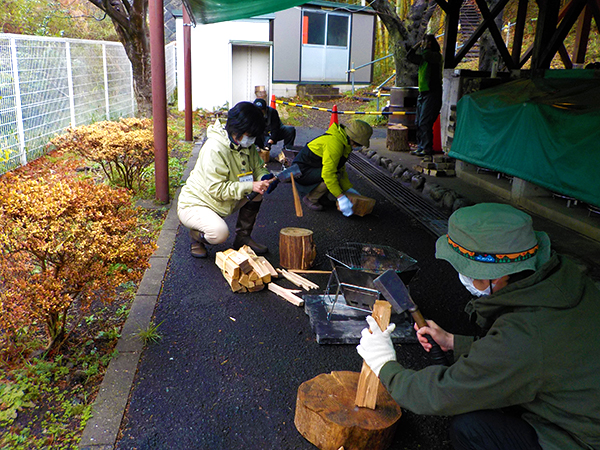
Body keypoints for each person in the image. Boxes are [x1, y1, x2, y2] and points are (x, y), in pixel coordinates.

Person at [357, 203, 600, 450]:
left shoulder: (527, 333)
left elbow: (445, 393)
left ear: (500, 275)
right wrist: (454, 341)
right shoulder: (561, 280)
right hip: (578, 406)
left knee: (471, 428)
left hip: (580, 439)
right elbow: (530, 357)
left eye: (472, 273)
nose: (466, 279)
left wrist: (385, 365)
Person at [177, 101, 277, 258]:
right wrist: (251, 185)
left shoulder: (243, 142)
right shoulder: (214, 149)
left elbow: (257, 166)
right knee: (220, 233)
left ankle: (242, 238)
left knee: (258, 191)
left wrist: (264, 177)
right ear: (237, 130)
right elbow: (217, 189)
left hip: (222, 201)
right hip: (197, 203)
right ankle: (196, 237)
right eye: (250, 136)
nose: (251, 141)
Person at [292, 119, 373, 216]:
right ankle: (311, 198)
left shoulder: (344, 143)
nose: (359, 147)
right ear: (353, 140)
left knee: (336, 173)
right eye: (360, 144)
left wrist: (348, 189)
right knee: (331, 176)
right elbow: (328, 174)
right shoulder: (335, 144)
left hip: (313, 168)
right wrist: (341, 197)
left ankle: (321, 197)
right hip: (300, 171)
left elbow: (340, 168)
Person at [406, 34, 443, 158]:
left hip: (432, 93)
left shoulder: (435, 56)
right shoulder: (423, 58)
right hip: (423, 93)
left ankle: (427, 148)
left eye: (426, 42)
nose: (424, 44)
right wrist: (417, 45)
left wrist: (425, 47)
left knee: (425, 122)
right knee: (418, 122)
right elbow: (409, 56)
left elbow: (427, 55)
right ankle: (421, 146)